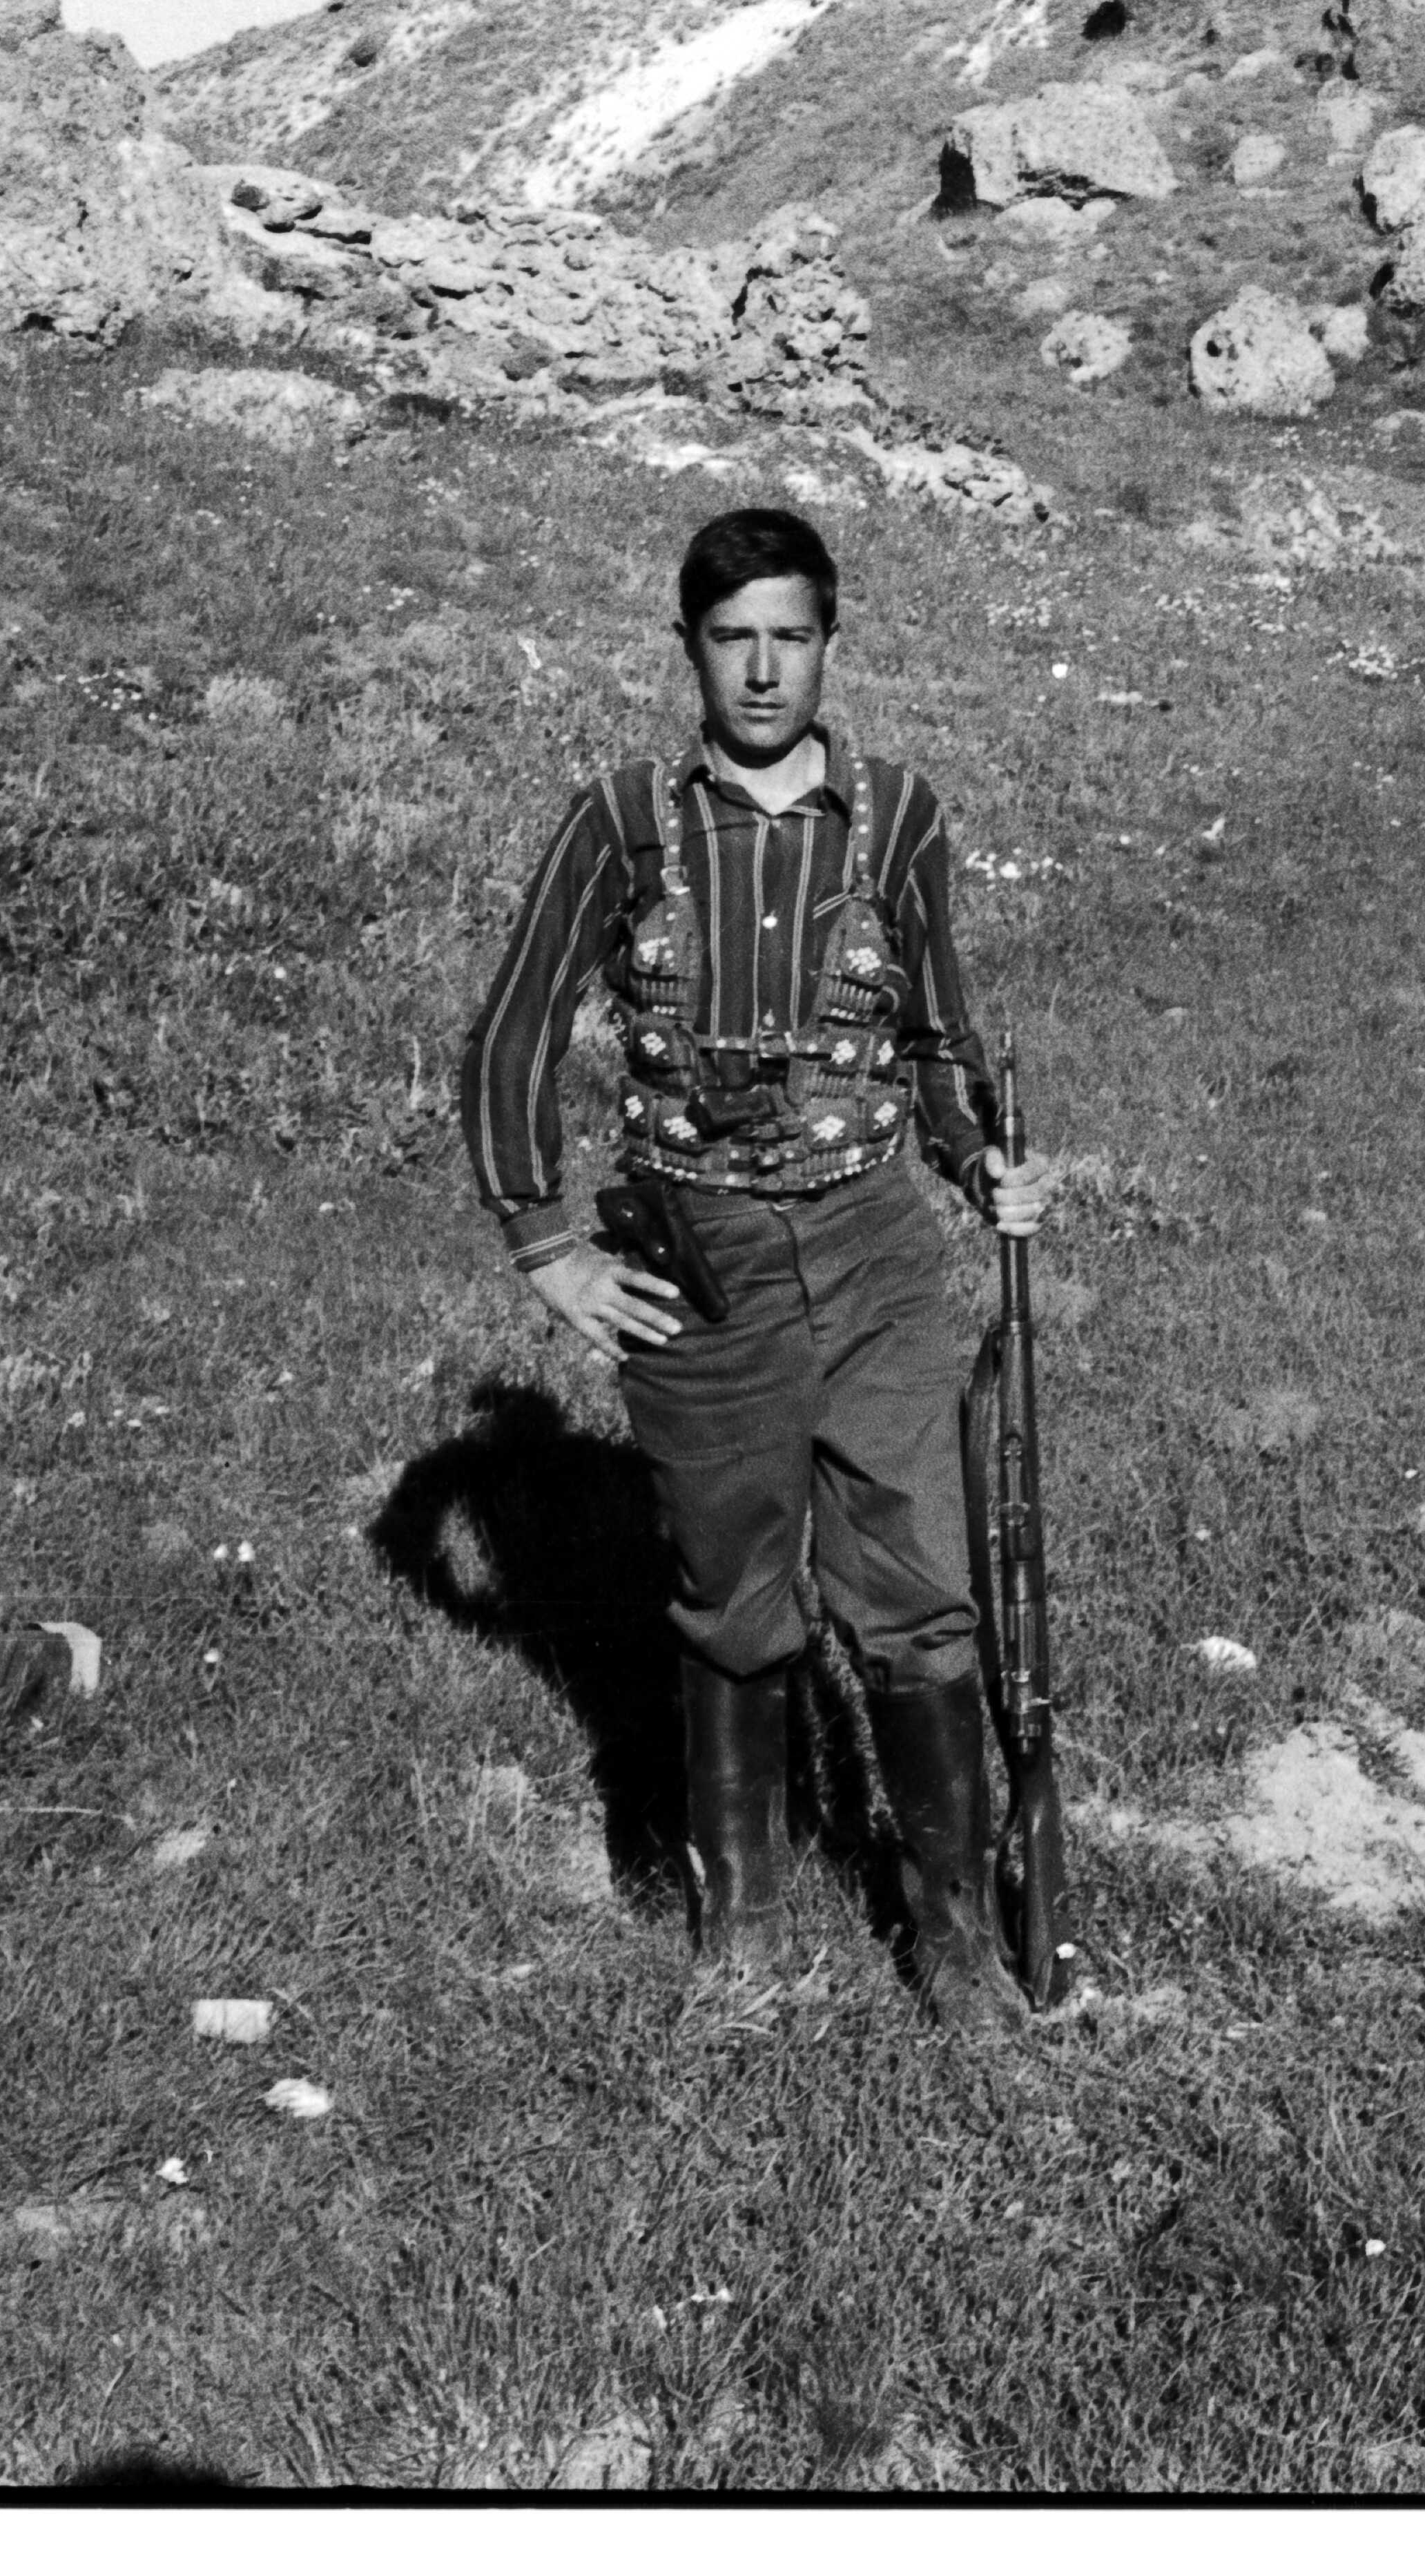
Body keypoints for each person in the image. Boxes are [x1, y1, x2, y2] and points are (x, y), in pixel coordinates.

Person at [461, 507, 1054, 2031]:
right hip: (699, 1267)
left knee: (921, 1592)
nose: (766, 669)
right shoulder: (621, 821)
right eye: (734, 638)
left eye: (792, 636)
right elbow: (514, 1033)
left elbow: (939, 1035)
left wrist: (978, 1156)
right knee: (731, 1592)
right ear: (691, 649)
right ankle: (746, 1924)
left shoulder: (901, 816)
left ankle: (955, 1935)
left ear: (830, 643)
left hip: (875, 1256)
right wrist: (548, 1251)